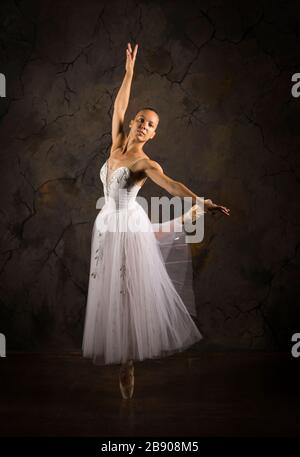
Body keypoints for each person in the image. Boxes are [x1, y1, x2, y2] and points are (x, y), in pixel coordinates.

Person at [82, 43, 230, 400]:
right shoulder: (116, 143)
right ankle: (122, 356)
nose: (144, 126)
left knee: (128, 290)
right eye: (141, 120)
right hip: (106, 224)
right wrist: (130, 72)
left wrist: (200, 200)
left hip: (129, 227)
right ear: (133, 123)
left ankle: (128, 361)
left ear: (152, 134)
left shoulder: (146, 164)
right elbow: (117, 105)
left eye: (151, 126)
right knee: (108, 291)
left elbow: (172, 185)